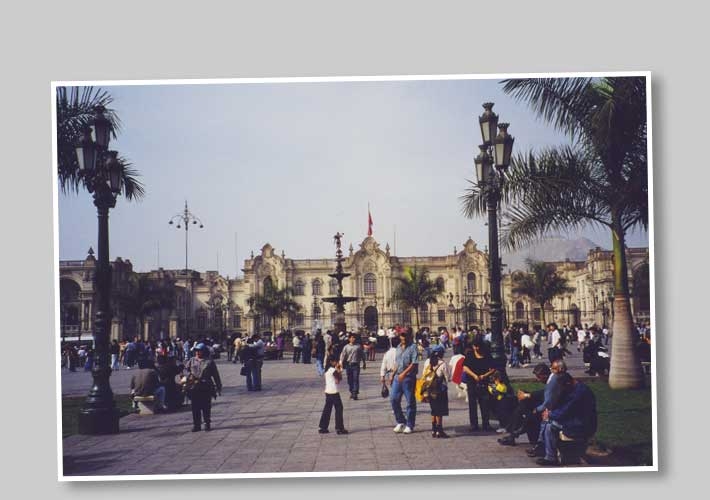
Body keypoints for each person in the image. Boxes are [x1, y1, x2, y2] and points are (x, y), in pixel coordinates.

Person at [535, 372, 597, 466]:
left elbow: (566, 410)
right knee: (548, 421)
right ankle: (543, 448)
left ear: (568, 383)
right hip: (577, 420)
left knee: (549, 425)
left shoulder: (579, 393)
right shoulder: (576, 388)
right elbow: (563, 406)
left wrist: (550, 414)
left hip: (582, 424)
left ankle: (550, 457)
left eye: (562, 387)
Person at [183, 343, 222, 431]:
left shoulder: (209, 362)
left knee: (206, 406)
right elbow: (185, 370)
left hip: (206, 386)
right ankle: (196, 424)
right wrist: (189, 375)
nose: (197, 353)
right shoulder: (192, 360)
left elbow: (215, 375)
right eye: (196, 351)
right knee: (195, 407)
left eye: (199, 351)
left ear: (204, 352)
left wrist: (219, 386)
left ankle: (207, 423)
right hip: (194, 386)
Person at [462, 339, 495, 432]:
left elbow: (493, 369)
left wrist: (484, 375)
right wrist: (474, 375)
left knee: (485, 403)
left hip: (483, 381)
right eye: (475, 346)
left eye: (478, 346)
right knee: (472, 404)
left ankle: (486, 424)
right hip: (472, 381)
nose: (477, 348)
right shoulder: (470, 355)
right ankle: (474, 424)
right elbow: (465, 367)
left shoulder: (487, 355)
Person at [390, 329, 419, 434]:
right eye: (401, 335)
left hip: (408, 378)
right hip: (398, 377)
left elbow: (414, 363)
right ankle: (400, 421)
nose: (403, 338)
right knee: (393, 399)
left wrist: (404, 373)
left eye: (405, 335)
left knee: (410, 401)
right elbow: (397, 362)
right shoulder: (398, 347)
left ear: (409, 336)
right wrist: (393, 374)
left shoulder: (413, 347)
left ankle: (410, 424)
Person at [421, 345, 451, 438]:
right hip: (440, 390)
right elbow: (448, 377)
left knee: (433, 409)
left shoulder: (427, 362)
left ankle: (433, 430)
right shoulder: (442, 363)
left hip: (429, 389)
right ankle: (439, 430)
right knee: (440, 410)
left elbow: (423, 374)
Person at [318, 356, 348, 435]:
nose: (336, 363)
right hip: (334, 392)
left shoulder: (327, 370)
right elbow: (338, 381)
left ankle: (323, 427)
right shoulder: (333, 371)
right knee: (339, 408)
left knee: (327, 409)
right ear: (332, 362)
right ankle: (339, 428)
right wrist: (339, 370)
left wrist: (338, 370)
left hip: (327, 391)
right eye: (335, 361)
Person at [340, 333, 364, 400]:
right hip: (348, 365)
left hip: (356, 365)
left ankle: (355, 393)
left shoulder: (358, 347)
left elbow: (362, 355)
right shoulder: (346, 347)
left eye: (354, 338)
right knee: (349, 380)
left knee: (355, 379)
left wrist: (364, 363)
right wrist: (341, 362)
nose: (353, 339)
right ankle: (351, 391)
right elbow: (343, 355)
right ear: (349, 339)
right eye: (351, 338)